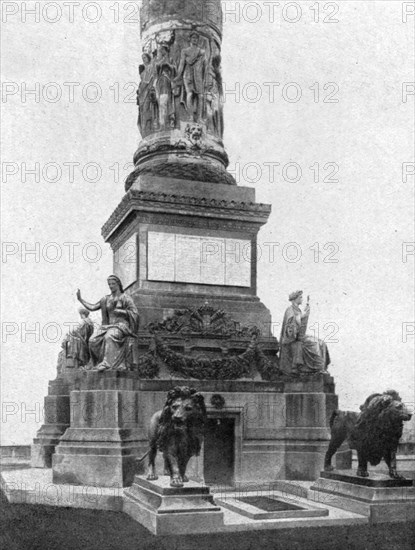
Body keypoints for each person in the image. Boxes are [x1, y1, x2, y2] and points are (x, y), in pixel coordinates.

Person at [76, 275, 139, 372]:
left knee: (108, 337)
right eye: (109, 284)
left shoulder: (125, 298)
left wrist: (122, 312)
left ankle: (107, 363)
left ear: (118, 284)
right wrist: (80, 299)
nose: (111, 286)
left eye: (113, 284)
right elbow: (92, 307)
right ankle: (97, 363)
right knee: (92, 340)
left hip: (121, 326)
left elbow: (135, 313)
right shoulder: (105, 299)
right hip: (108, 326)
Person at [279, 290, 330, 376]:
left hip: (300, 336)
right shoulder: (290, 310)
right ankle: (317, 368)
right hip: (293, 339)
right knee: (315, 344)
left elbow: (300, 325)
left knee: (322, 343)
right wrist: (302, 316)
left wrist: (305, 315)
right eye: (300, 297)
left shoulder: (297, 309)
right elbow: (290, 330)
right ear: (295, 299)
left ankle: (321, 368)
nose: (302, 299)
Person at [175, 32, 207, 122]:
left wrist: (205, 77)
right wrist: (178, 75)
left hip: (198, 75)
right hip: (188, 74)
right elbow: (181, 64)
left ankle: (199, 117)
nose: (194, 39)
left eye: (196, 38)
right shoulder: (185, 51)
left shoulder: (201, 51)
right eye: (193, 38)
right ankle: (191, 115)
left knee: (200, 96)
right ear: (189, 39)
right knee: (190, 94)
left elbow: (205, 66)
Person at [137, 52, 158, 136]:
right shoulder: (144, 70)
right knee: (143, 110)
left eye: (145, 58)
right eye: (143, 58)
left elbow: (146, 81)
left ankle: (147, 128)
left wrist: (141, 89)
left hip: (147, 90)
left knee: (147, 109)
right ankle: (145, 129)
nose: (144, 60)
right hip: (143, 92)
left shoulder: (150, 67)